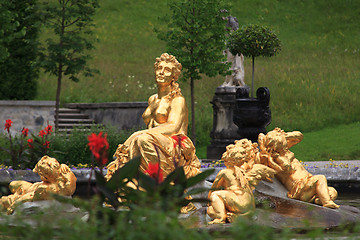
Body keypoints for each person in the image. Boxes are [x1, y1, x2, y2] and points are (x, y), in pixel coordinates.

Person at [105, 53, 200, 181]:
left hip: (175, 144)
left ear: (174, 76)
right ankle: (134, 179)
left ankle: (158, 181)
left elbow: (173, 126)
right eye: (159, 68)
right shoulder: (153, 99)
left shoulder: (177, 100)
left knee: (142, 139)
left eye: (167, 70)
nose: (161, 72)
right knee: (140, 141)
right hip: (154, 141)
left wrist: (139, 133)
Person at [258, 128, 339, 208]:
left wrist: (285, 135)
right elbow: (287, 167)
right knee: (320, 178)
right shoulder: (274, 158)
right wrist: (268, 149)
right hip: (299, 189)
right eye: (279, 135)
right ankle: (327, 202)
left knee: (332, 191)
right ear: (276, 142)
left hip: (308, 184)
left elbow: (299, 136)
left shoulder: (285, 151)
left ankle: (317, 200)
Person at [207, 139, 276, 224]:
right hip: (247, 204)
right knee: (211, 211)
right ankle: (234, 216)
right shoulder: (244, 172)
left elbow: (213, 189)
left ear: (229, 159)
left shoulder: (225, 172)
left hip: (238, 201)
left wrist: (209, 201)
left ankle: (221, 219)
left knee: (215, 195)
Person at [0, 156, 77, 214]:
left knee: (6, 197)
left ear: (46, 174)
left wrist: (14, 205)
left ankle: (10, 199)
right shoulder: (63, 171)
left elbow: (30, 196)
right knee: (12, 184)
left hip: (30, 190)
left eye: (42, 174)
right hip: (31, 187)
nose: (41, 177)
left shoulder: (49, 188)